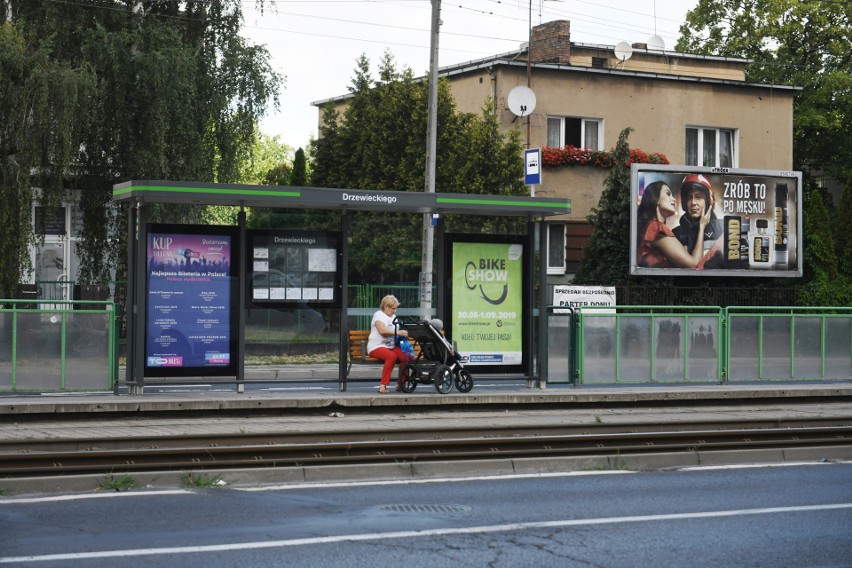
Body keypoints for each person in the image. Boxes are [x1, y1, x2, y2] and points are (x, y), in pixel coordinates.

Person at [637, 181, 713, 269]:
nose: (673, 199)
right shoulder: (656, 228)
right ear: (656, 199)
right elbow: (694, 265)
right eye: (668, 194)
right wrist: (702, 226)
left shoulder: (651, 226)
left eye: (698, 197)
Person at [673, 174, 724, 268]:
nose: (693, 203)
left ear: (709, 200)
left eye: (698, 196)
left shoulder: (723, 228)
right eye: (689, 198)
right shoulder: (676, 234)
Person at [367, 295, 412, 394]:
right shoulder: (378, 315)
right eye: (393, 308)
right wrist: (399, 332)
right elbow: (382, 331)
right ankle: (383, 385)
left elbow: (396, 333)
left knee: (407, 357)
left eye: (396, 308)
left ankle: (400, 383)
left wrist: (404, 335)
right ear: (386, 306)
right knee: (391, 356)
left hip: (390, 346)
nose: (395, 311)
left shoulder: (394, 317)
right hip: (376, 346)